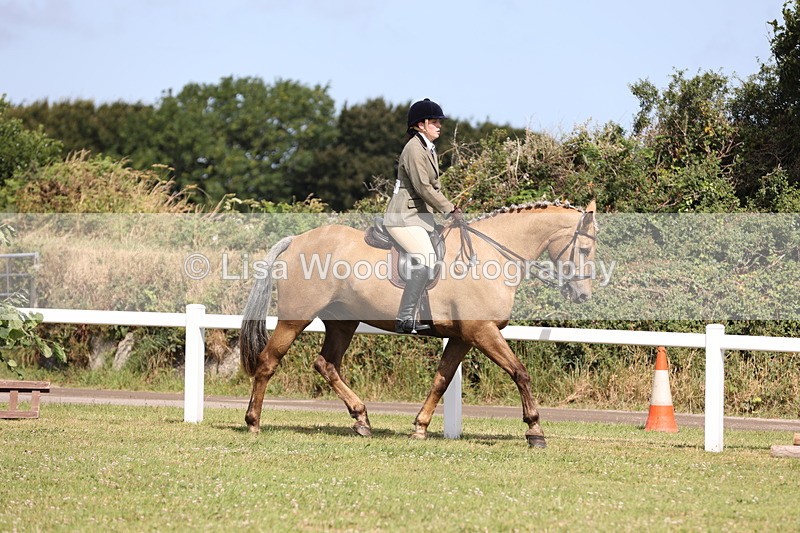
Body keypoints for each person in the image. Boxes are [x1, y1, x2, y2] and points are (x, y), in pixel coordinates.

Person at [384, 98, 463, 334]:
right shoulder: (414, 149)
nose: (439, 125)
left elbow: (433, 188)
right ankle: (405, 317)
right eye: (435, 121)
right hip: (403, 217)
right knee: (427, 257)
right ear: (420, 124)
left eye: (439, 121)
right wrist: (449, 209)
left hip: (419, 217)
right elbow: (423, 188)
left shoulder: (428, 148)